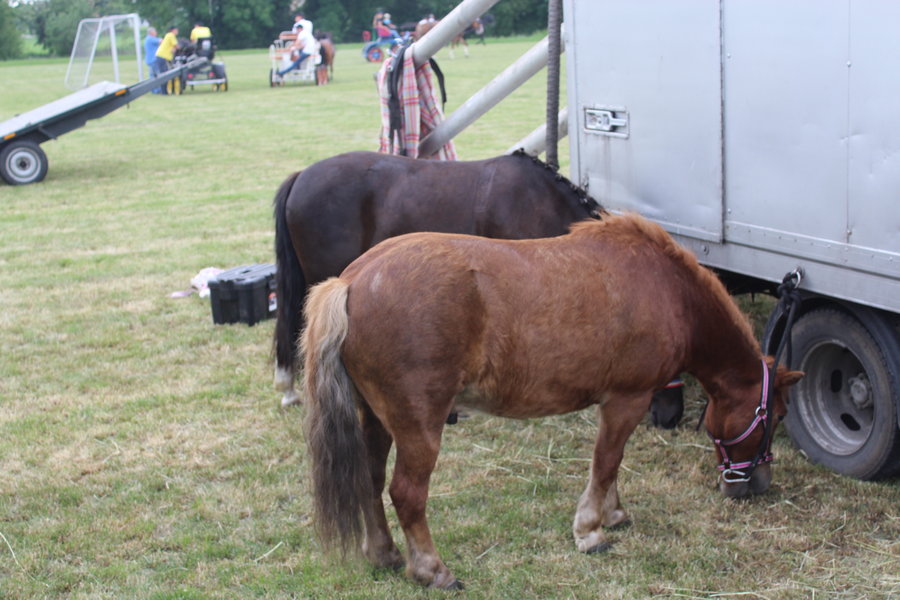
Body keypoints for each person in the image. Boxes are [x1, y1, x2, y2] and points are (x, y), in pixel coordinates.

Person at [154, 25, 179, 94]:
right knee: (164, 75)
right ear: (173, 30)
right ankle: (164, 92)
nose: (177, 32)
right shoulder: (171, 35)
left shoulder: (168, 35)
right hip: (162, 56)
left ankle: (165, 91)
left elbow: (172, 47)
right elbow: (176, 46)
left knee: (164, 73)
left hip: (161, 56)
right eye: (177, 30)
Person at [144, 27, 161, 93]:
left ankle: (153, 89)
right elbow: (161, 41)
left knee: (152, 75)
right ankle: (157, 90)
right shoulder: (151, 39)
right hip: (153, 59)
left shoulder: (148, 39)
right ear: (151, 33)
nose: (156, 33)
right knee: (157, 75)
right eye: (155, 32)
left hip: (150, 59)